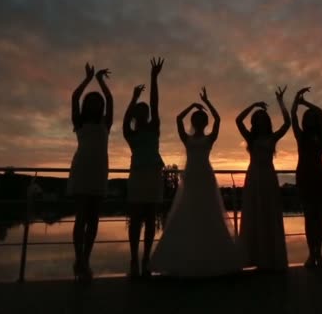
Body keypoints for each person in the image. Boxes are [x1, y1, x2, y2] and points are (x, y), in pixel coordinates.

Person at [151, 87, 243, 277]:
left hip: (206, 177)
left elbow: (218, 120)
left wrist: (207, 102)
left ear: (204, 123)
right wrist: (191, 105)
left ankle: (212, 258)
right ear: (194, 122)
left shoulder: (210, 138)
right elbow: (178, 119)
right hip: (192, 178)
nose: (199, 122)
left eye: (201, 120)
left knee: (209, 212)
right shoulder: (187, 138)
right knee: (189, 212)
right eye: (197, 120)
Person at [67, 63, 113, 283]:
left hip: (99, 171)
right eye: (92, 102)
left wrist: (101, 81)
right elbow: (75, 97)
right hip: (82, 170)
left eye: (98, 102)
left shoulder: (106, 122)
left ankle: (86, 258)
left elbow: (111, 101)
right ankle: (79, 258)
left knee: (93, 220)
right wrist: (88, 79)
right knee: (81, 218)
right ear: (87, 105)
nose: (96, 104)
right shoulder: (79, 122)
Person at [236, 85, 291, 271]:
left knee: (269, 214)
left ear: (266, 121)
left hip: (268, 176)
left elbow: (287, 124)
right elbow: (238, 120)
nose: (259, 121)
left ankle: (269, 258)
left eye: (262, 118)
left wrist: (281, 102)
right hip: (254, 177)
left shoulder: (272, 137)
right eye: (257, 119)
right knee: (254, 214)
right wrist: (253, 105)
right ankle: (255, 257)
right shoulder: (250, 138)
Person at [123, 57, 165, 279]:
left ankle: (146, 257)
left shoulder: (154, 126)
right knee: (136, 219)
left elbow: (155, 103)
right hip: (138, 175)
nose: (145, 112)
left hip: (152, 175)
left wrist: (153, 77)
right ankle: (133, 258)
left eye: (145, 110)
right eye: (141, 110)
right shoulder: (130, 133)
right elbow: (125, 119)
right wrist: (133, 98)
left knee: (150, 219)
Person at [291, 87, 322, 268]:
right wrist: (297, 99)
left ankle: (318, 253)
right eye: (310, 117)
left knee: (318, 216)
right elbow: (293, 116)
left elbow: (320, 112)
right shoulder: (301, 136)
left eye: (314, 118)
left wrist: (305, 102)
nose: (313, 119)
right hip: (304, 175)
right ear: (306, 121)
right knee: (308, 216)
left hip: (318, 176)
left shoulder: (321, 137)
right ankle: (311, 253)